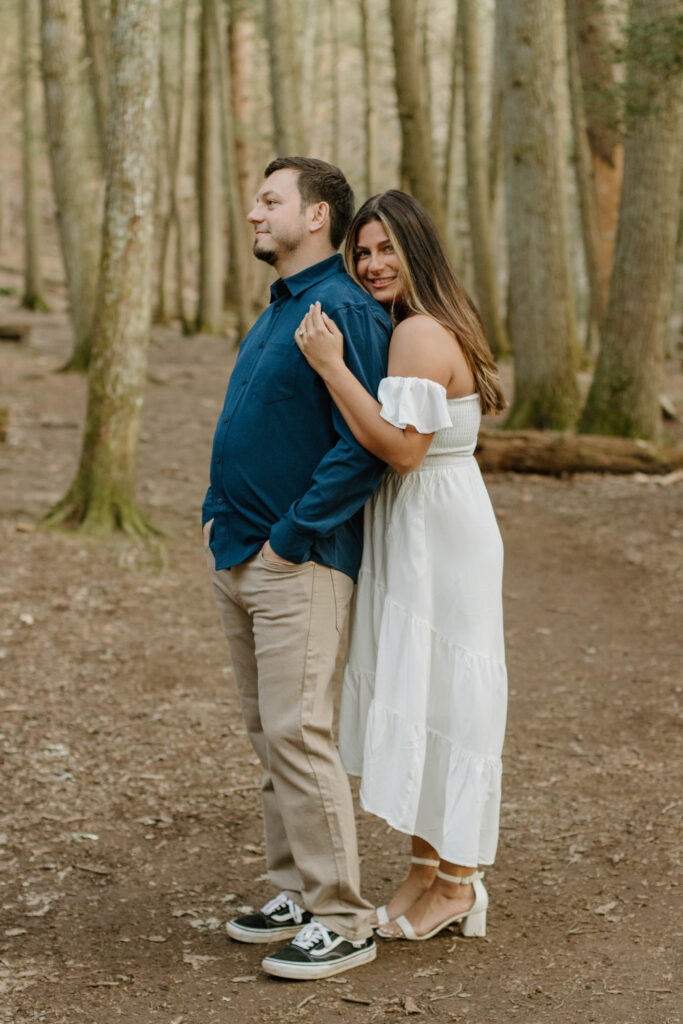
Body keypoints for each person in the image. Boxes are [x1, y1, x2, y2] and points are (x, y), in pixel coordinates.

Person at [295, 189, 507, 942]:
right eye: (363, 252)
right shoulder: (418, 323)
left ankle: (457, 883)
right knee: (421, 697)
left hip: (439, 530)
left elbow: (403, 450)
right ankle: (425, 872)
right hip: (419, 528)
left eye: (387, 249)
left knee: (446, 699)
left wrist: (328, 366)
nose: (372, 263)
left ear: (416, 252)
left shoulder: (418, 331)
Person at [202, 158, 392, 979]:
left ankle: (343, 917)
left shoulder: (346, 308)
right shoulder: (280, 307)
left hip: (300, 560)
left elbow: (367, 446)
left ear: (316, 217)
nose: (253, 212)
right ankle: (295, 892)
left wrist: (291, 536)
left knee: (298, 733)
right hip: (239, 551)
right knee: (267, 736)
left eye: (269, 200)